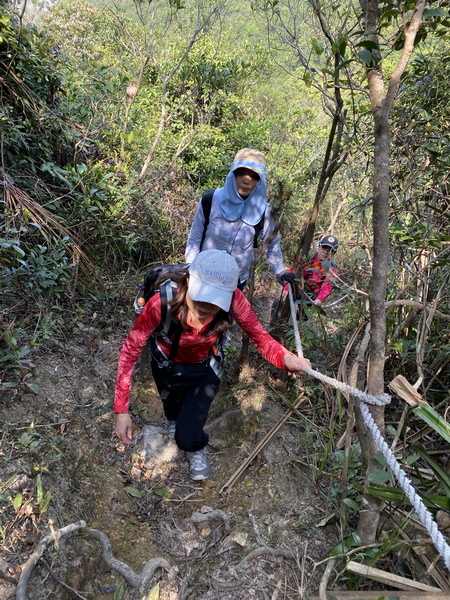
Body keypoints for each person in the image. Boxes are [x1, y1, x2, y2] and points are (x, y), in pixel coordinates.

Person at [114, 250, 311, 481]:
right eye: (201, 296)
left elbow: (260, 337)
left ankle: (196, 447)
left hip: (205, 370)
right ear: (188, 283)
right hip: (165, 366)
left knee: (186, 438)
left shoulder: (235, 299)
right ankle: (174, 420)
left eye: (215, 299)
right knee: (171, 408)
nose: (206, 305)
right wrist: (121, 410)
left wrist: (286, 358)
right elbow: (130, 351)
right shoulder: (161, 303)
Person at [185, 148, 295, 289]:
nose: (246, 180)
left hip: (235, 281)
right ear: (233, 174)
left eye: (253, 176)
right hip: (203, 274)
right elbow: (195, 235)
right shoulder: (211, 199)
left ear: (259, 181)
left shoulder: (264, 211)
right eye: (241, 173)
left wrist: (280, 272)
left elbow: (271, 243)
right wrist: (190, 266)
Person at [288, 235, 339, 306]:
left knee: (303, 314)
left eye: (330, 250)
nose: (326, 252)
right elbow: (292, 271)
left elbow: (328, 285)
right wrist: (286, 289)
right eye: (324, 248)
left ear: (334, 253)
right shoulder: (307, 257)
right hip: (296, 287)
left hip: (310, 296)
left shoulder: (331, 268)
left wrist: (319, 299)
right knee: (282, 301)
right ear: (319, 247)